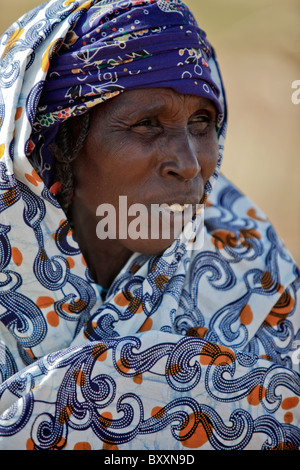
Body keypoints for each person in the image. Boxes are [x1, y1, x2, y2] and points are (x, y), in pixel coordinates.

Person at [0, 0, 299, 451]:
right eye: (145, 124)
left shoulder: (249, 267)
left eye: (203, 122)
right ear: (52, 142)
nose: (188, 163)